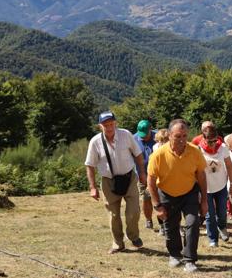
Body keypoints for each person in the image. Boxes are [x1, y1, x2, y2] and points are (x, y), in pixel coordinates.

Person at [148, 119, 208, 273]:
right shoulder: (158, 155)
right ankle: (174, 254)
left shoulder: (195, 151)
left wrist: (204, 202)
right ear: (169, 136)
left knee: (192, 223)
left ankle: (189, 259)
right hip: (167, 194)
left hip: (189, 193)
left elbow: (201, 176)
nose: (182, 140)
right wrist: (157, 206)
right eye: (177, 136)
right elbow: (151, 181)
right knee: (171, 226)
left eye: (184, 136)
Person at [85, 111, 146, 254]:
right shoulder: (95, 142)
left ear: (115, 123)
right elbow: (90, 165)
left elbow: (138, 154)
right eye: (106, 125)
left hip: (129, 178)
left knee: (134, 212)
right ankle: (118, 243)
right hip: (108, 182)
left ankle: (133, 236)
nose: (109, 127)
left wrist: (142, 173)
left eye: (111, 124)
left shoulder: (126, 134)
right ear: (100, 126)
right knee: (113, 215)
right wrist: (92, 187)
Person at [196, 126, 232, 247]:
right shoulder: (198, 150)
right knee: (209, 214)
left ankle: (222, 227)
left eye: (215, 140)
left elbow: (229, 166)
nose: (213, 144)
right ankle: (213, 239)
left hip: (221, 185)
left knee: (222, 212)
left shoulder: (223, 148)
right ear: (203, 138)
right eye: (210, 141)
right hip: (206, 188)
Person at [134, 119, 157, 230]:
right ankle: (149, 220)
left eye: (146, 134)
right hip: (141, 174)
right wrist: (140, 174)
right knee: (145, 198)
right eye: (141, 134)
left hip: (158, 174)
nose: (143, 137)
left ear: (150, 129)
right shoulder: (133, 139)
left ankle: (163, 222)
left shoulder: (159, 137)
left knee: (161, 198)